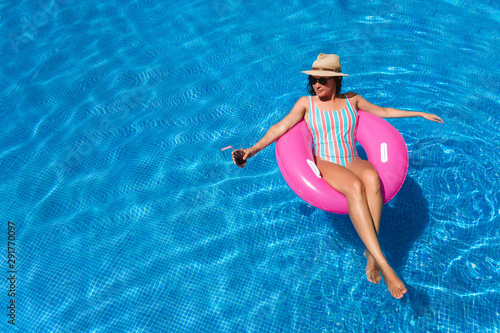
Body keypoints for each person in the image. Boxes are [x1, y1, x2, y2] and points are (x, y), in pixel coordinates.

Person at [233, 53, 443, 299]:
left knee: (372, 178)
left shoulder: (351, 100)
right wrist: (251, 151)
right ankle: (383, 262)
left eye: (322, 79)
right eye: (314, 79)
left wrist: (418, 113)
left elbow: (383, 111)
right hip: (327, 161)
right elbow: (280, 127)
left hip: (352, 158)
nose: (317, 84)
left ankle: (369, 252)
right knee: (354, 186)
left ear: (336, 81)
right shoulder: (306, 104)